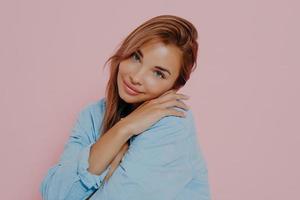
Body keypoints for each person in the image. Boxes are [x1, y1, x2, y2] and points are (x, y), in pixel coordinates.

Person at [40, 14, 211, 200]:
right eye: (136, 57)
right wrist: (124, 129)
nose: (136, 77)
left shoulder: (173, 123)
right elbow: (54, 194)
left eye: (158, 74)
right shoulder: (93, 115)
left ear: (174, 87)